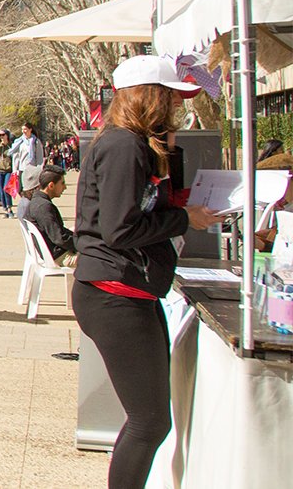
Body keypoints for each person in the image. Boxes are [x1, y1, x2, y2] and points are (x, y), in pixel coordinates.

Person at [73, 55, 222, 488]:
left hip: (127, 289)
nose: (177, 105)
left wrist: (176, 178)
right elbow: (121, 228)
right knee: (149, 422)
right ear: (152, 97)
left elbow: (138, 208)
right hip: (113, 291)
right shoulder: (124, 146)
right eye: (172, 97)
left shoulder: (133, 144)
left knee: (151, 420)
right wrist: (183, 219)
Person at [24, 165, 77, 266]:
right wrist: (83, 244)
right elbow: (59, 238)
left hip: (55, 252)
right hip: (60, 255)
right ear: (51, 185)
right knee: (102, 258)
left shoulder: (37, 202)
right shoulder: (43, 207)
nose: (65, 187)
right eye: (62, 183)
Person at [0, 130, 15, 218]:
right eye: (0, 135)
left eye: (3, 135)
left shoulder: (11, 146)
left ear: (7, 135)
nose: (1, 137)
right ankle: (5, 209)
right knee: (1, 191)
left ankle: (10, 208)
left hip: (8, 170)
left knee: (6, 189)